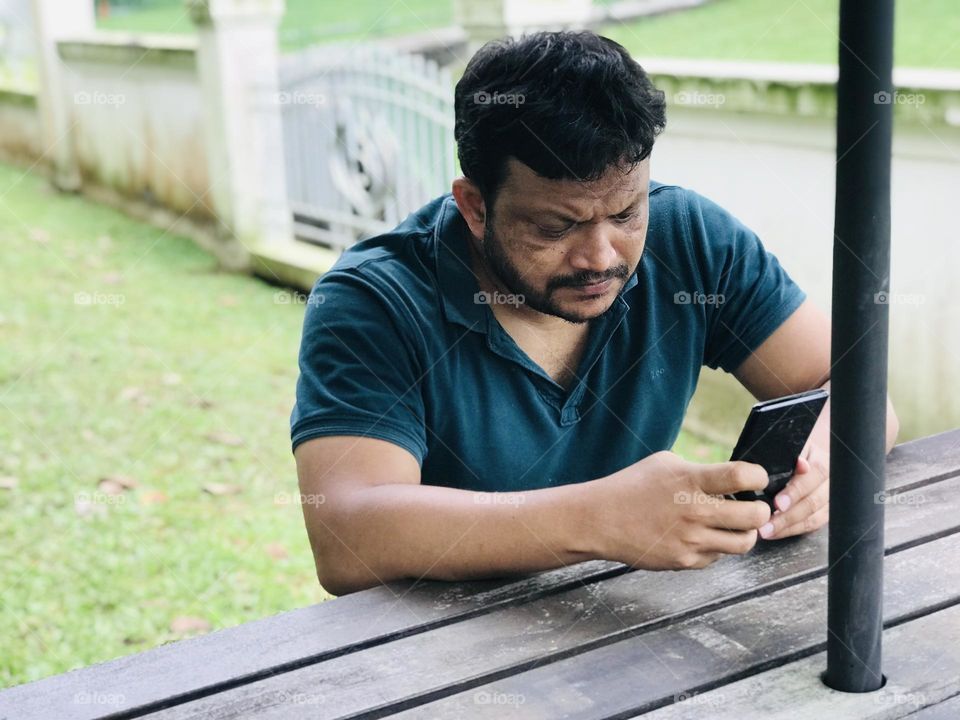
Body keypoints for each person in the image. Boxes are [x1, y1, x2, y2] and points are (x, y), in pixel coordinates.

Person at [290, 31, 899, 595]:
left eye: (627, 213)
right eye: (556, 227)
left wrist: (823, 463)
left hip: (629, 626)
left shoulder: (690, 238)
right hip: (433, 661)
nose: (601, 257)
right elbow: (347, 534)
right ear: (475, 207)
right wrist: (598, 520)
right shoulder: (373, 302)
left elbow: (857, 387)